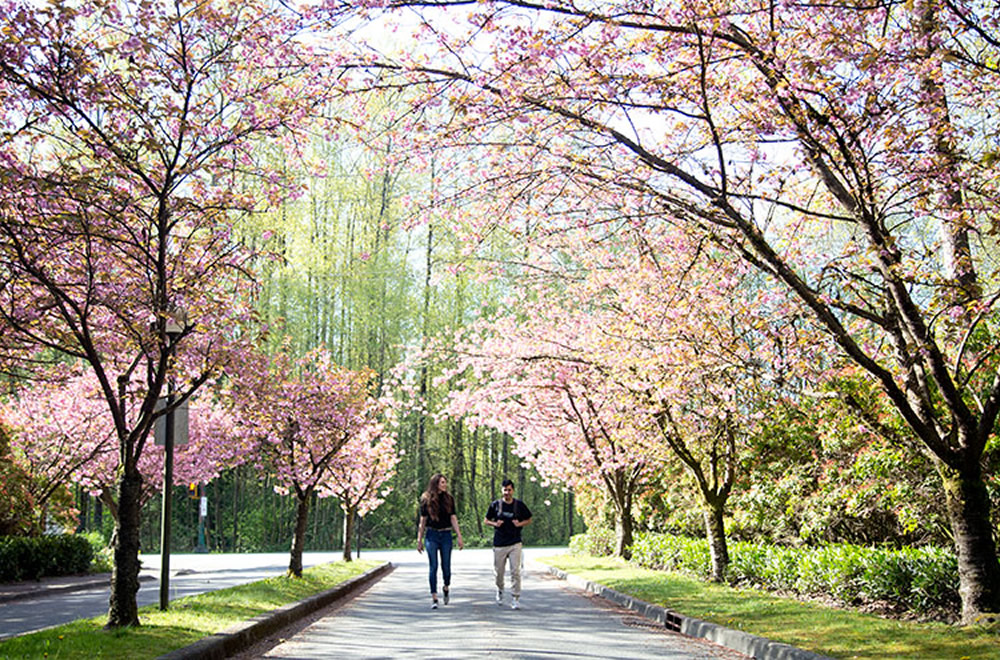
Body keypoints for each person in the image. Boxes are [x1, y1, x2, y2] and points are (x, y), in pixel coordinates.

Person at [417, 473, 464, 609]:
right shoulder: (426, 499)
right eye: (442, 482)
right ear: (436, 483)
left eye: (445, 482)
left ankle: (446, 586)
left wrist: (459, 536)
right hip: (431, 534)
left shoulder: (449, 499)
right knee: (433, 566)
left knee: (446, 566)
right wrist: (419, 540)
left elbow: (453, 518)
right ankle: (434, 597)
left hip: (446, 534)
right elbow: (423, 521)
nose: (445, 485)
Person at [484, 478, 532, 609]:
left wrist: (520, 524)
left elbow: (529, 519)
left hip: (515, 543)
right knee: (499, 572)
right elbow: (486, 520)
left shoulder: (519, 505)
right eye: (505, 490)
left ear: (513, 490)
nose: (507, 492)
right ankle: (500, 589)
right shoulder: (495, 505)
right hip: (499, 544)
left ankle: (515, 597)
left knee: (515, 571)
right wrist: (495, 523)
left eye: (509, 490)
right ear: (502, 490)